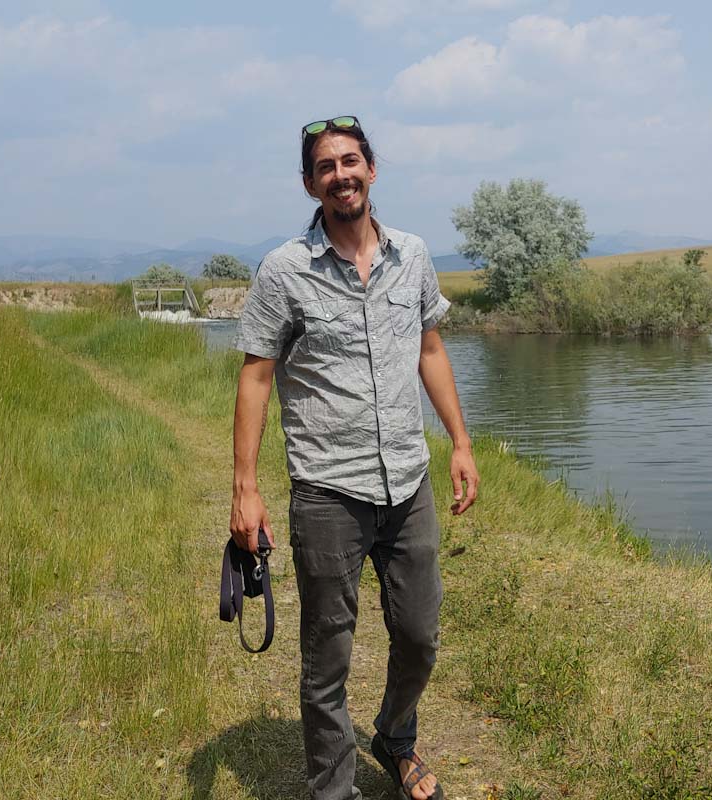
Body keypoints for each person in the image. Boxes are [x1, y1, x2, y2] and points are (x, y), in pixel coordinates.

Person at [231, 115, 479, 800]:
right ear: (310, 183)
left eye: (350, 160)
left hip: (407, 483)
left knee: (420, 636)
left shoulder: (414, 255)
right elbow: (256, 376)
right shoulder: (285, 270)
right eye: (325, 166)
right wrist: (245, 490)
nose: (340, 174)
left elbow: (430, 349)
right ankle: (333, 790)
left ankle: (395, 736)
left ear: (373, 167)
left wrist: (459, 442)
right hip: (327, 493)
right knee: (327, 658)